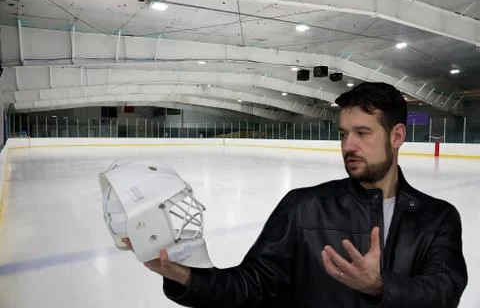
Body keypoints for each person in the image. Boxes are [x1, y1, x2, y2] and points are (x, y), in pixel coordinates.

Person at [124, 82, 468, 307]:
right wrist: (183, 275)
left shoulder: (436, 217)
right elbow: (251, 287)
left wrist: (381, 286)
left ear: (396, 136)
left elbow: (444, 291)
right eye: (344, 133)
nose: (348, 145)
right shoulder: (304, 208)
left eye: (362, 133)